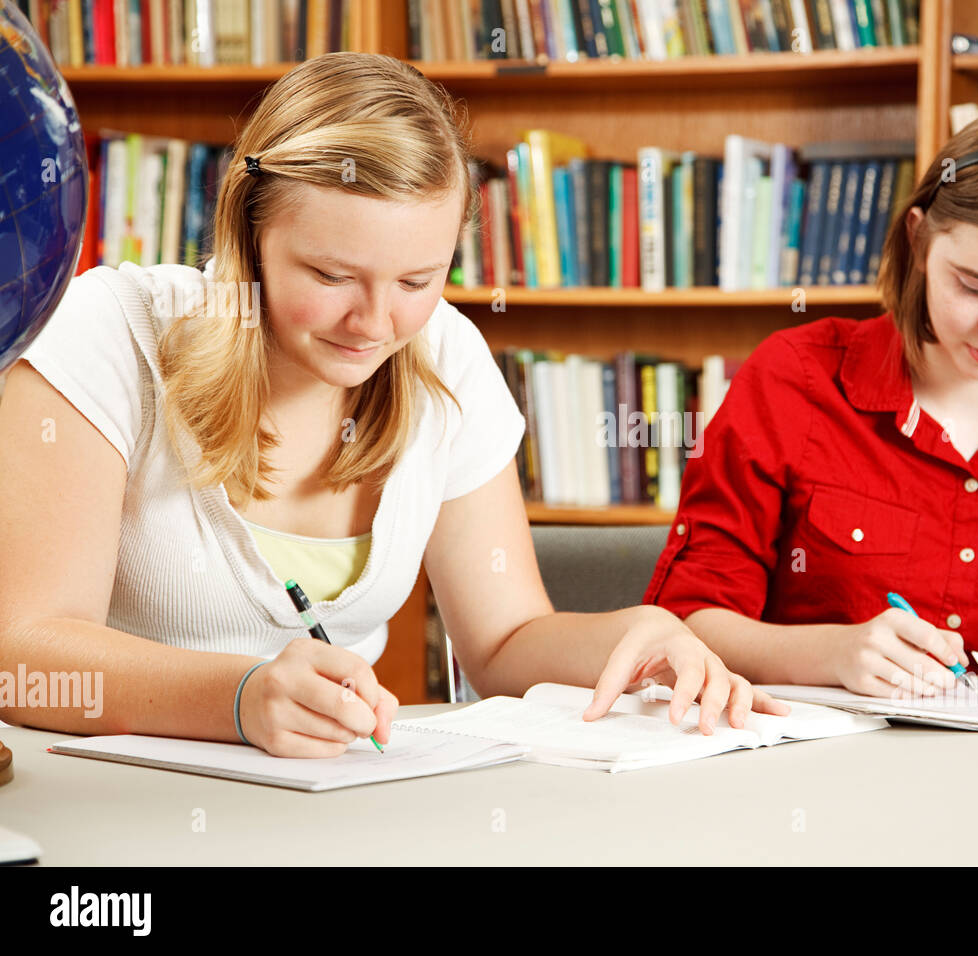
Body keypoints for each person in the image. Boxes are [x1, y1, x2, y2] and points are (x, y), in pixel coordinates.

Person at [0, 52, 786, 757]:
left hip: (335, 813)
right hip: (110, 813)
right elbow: (22, 656)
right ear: (249, 232)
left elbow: (505, 642)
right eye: (333, 275)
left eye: (416, 281)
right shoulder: (108, 332)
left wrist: (637, 634)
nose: (376, 326)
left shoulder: (445, 355)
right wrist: (238, 699)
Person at [644, 107, 978, 699]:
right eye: (973, 286)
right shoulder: (793, 380)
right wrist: (832, 652)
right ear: (918, 240)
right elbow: (685, 624)